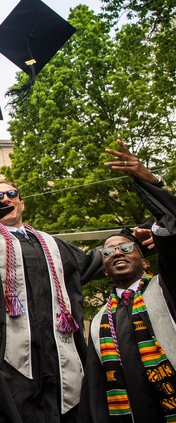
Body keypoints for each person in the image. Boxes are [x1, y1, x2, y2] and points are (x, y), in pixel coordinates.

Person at [0, 164, 108, 422]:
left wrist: (135, 242)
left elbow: (92, 262)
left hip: (64, 360)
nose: (6, 199)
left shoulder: (54, 245)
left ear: (22, 203)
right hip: (16, 367)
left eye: (11, 194)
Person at [80, 141, 176, 422]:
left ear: (145, 259)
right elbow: (95, 392)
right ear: (105, 270)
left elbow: (171, 225)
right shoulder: (99, 321)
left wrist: (150, 182)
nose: (117, 253)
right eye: (107, 252)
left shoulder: (167, 287)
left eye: (125, 248)